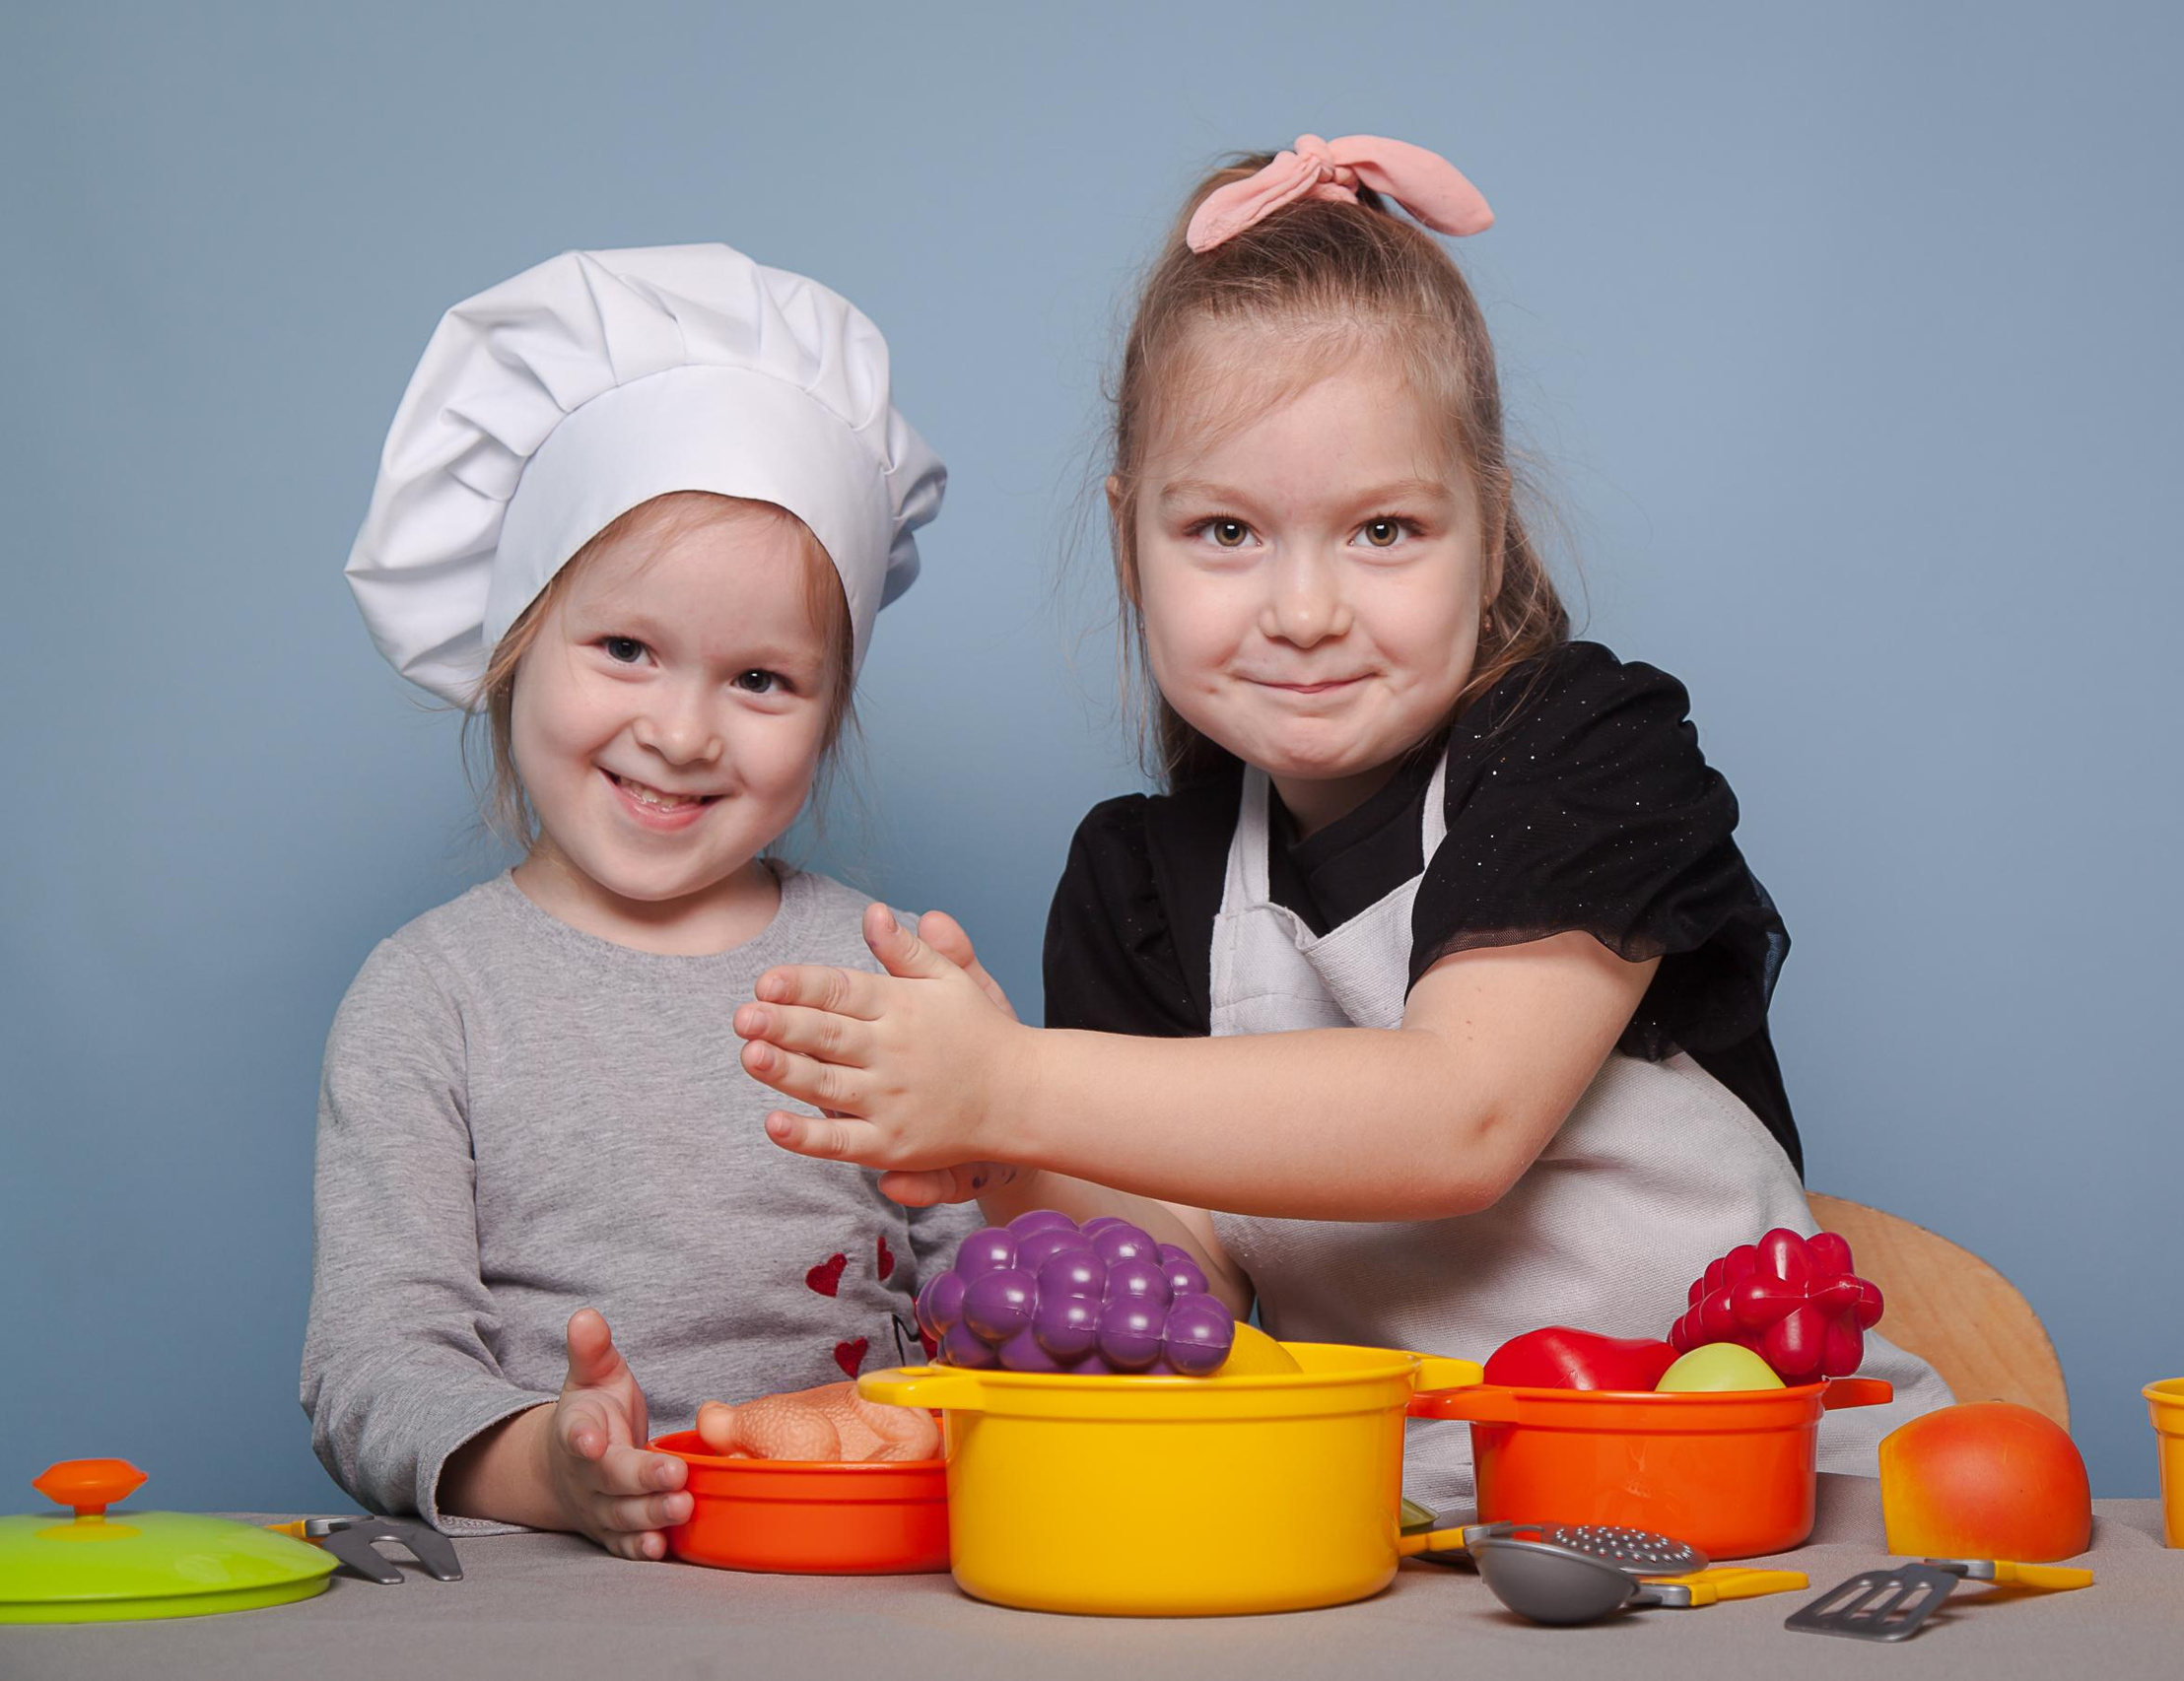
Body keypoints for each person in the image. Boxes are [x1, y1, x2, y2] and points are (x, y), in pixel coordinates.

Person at [730, 139, 1950, 1502]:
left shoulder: (1585, 752)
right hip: (1401, 1526)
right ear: (1131, 537)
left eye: (1382, 531)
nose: (1305, 611)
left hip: (1760, 1496)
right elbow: (1179, 1293)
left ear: (1488, 527)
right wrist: (1007, 1154)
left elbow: (1460, 1114)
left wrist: (1020, 1078)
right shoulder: (1138, 884)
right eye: (1226, 533)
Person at [303, 243, 977, 1557]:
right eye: (624, 648)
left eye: (763, 679)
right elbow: (372, 1361)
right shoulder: (430, 998)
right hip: (551, 1594)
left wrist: (990, 1206)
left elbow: (992, 1304)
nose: (681, 730)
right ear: (516, 645)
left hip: (866, 1574)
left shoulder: (880, 970)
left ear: (833, 711)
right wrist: (546, 1465)